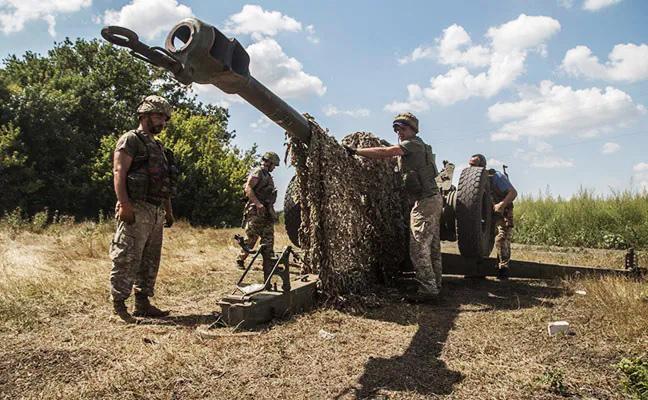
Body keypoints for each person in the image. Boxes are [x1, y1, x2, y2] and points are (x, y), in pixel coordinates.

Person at [344, 112, 443, 300]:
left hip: (425, 201)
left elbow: (386, 153)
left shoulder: (414, 144)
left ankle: (428, 291)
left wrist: (356, 151)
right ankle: (435, 284)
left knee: (418, 245)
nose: (400, 133)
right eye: (397, 129)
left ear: (414, 130)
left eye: (403, 129)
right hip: (429, 200)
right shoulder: (414, 147)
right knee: (433, 247)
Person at [109, 95, 178, 323]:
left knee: (150, 259)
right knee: (127, 256)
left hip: (156, 209)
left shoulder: (158, 146)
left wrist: (168, 211)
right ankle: (119, 306)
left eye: (165, 119)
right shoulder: (130, 140)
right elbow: (119, 172)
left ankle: (143, 303)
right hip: (136, 207)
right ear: (144, 115)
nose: (162, 123)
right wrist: (125, 204)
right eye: (159, 116)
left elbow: (163, 181)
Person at [468, 154, 518, 280]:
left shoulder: (496, 177)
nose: (471, 167)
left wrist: (501, 204)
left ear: (482, 166)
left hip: (503, 211)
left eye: (474, 165)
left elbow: (513, 193)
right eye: (470, 165)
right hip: (487, 213)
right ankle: (479, 269)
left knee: (501, 238)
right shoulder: (471, 180)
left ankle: (503, 269)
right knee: (482, 239)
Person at [237, 152, 280, 284]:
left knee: (268, 239)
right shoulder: (258, 172)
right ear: (269, 162)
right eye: (274, 165)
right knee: (252, 238)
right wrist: (258, 204)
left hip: (266, 212)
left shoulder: (268, 176)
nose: (274, 168)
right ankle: (240, 259)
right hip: (256, 212)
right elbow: (248, 188)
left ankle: (268, 265)